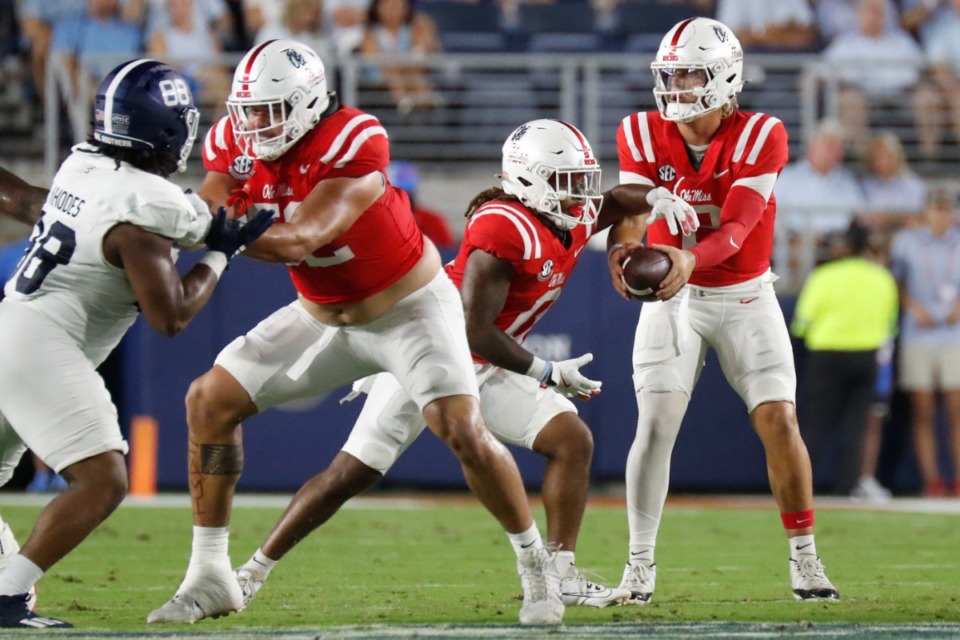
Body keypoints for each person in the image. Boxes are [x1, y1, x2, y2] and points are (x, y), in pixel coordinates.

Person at [145, 40, 577, 626]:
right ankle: (209, 575)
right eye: (247, 110)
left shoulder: (354, 139)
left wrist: (192, 225)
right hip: (322, 315)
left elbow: (301, 238)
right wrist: (170, 222)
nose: (253, 125)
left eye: (269, 111)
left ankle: (535, 566)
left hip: (410, 310)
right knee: (208, 399)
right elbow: (211, 203)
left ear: (306, 104)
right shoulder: (236, 140)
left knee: (461, 429)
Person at [225, 119, 697, 612]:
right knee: (350, 474)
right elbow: (475, 329)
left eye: (582, 180)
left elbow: (618, 201)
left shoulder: (568, 212)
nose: (580, 195)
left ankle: (561, 574)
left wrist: (656, 196)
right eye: (566, 182)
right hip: (434, 352)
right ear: (529, 180)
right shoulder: (503, 225)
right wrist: (547, 372)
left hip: (488, 362)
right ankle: (251, 572)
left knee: (571, 440)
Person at [0, 59, 274, 629]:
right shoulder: (146, 207)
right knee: (104, 481)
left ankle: (4, 578)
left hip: (12, 324)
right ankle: (7, 591)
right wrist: (223, 252)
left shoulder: (84, 165)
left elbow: (32, 202)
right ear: (166, 132)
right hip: (43, 343)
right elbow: (171, 316)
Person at [606, 17, 840, 604]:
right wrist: (621, 250)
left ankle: (805, 560)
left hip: (744, 293)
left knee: (779, 421)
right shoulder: (638, 130)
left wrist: (690, 259)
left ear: (726, 79)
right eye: (672, 74)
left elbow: (738, 226)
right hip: (672, 298)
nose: (677, 86)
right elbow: (632, 212)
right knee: (655, 426)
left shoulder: (763, 133)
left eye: (691, 74)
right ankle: (638, 567)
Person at [791, 220, 899, 497]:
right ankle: (847, 487)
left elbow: (802, 323)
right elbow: (891, 323)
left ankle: (802, 487)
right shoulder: (882, 277)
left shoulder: (824, 276)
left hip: (827, 353)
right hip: (866, 354)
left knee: (816, 422)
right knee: (856, 424)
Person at [889, 187, 960, 498]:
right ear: (926, 212)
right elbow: (894, 282)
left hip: (953, 333)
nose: (942, 216)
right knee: (924, 409)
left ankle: (957, 479)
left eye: (947, 209)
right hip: (919, 332)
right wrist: (912, 307)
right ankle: (931, 480)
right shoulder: (907, 241)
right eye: (937, 209)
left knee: (956, 410)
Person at [387, 160, 456, 249]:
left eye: (407, 193)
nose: (402, 199)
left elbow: (448, 254)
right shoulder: (376, 223)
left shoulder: (432, 221)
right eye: (395, 193)